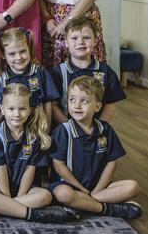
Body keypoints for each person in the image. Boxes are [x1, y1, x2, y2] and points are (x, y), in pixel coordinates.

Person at [0, 84, 73, 223]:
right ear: (2, 109)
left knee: (45, 196)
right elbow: (1, 170)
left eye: (22, 109)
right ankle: (32, 214)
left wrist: (10, 201)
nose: (17, 114)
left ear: (30, 110)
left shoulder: (34, 136)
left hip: (26, 189)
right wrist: (6, 197)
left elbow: (30, 170)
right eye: (11, 109)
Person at [50, 76, 141, 219]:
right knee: (63, 194)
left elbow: (112, 162)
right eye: (72, 100)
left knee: (133, 186)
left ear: (97, 107)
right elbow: (58, 165)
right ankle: (107, 209)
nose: (77, 105)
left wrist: (96, 191)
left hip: (97, 187)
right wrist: (80, 189)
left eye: (84, 101)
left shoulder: (105, 129)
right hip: (70, 186)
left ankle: (83, 205)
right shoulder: (63, 130)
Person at [51, 17, 125, 125]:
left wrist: (99, 127)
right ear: (66, 42)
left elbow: (111, 103)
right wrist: (68, 127)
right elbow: (53, 105)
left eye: (86, 38)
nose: (80, 42)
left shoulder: (106, 72)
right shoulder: (56, 73)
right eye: (74, 38)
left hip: (95, 131)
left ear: (95, 41)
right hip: (66, 130)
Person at [0, 28, 59, 127]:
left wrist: (46, 131)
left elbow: (48, 103)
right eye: (12, 54)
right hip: (13, 132)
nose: (19, 57)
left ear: (29, 48)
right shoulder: (1, 79)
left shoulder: (40, 72)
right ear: (3, 55)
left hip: (38, 129)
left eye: (23, 51)